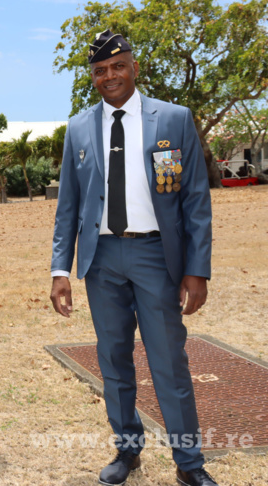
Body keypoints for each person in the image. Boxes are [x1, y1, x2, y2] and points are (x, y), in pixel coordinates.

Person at [49, 31, 217, 486]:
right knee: (114, 360)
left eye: (118, 66)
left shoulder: (174, 119)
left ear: (134, 68)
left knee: (168, 362)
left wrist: (196, 269)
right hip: (101, 260)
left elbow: (196, 200)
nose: (110, 76)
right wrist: (60, 269)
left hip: (155, 256)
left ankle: (189, 464)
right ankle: (127, 451)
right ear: (94, 77)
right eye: (100, 70)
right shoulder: (79, 127)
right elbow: (68, 205)